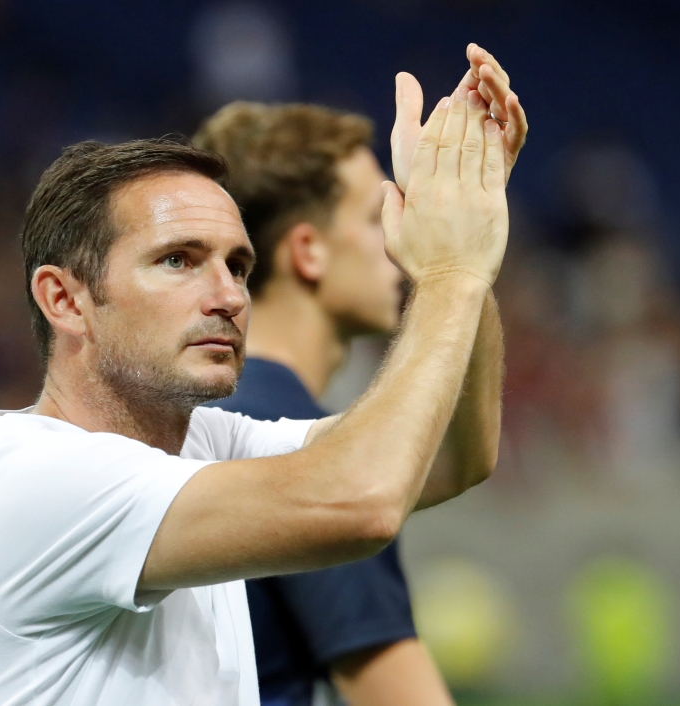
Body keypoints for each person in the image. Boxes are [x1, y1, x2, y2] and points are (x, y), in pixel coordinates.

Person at [0, 45, 519, 705]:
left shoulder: (203, 445)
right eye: (178, 260)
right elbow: (362, 499)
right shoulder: (29, 482)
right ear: (65, 300)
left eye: (238, 266)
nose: (228, 295)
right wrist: (450, 273)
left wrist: (467, 240)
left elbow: (452, 455)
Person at [192, 44, 526, 706]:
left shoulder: (225, 410)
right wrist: (451, 265)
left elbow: (465, 457)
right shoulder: (284, 433)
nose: (399, 238)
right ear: (308, 251)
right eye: (379, 217)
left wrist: (465, 255)